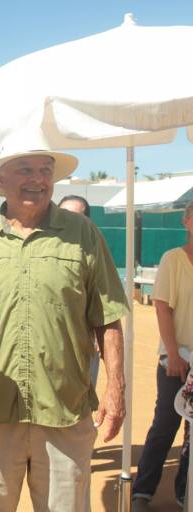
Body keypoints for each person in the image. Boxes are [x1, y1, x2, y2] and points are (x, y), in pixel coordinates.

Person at [0, 145, 129, 511]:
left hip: (64, 413)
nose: (37, 180)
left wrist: (116, 389)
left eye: (45, 170)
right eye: (25, 169)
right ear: (1, 179)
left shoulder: (83, 234)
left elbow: (108, 317)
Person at [132, 202, 193, 511]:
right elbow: (162, 307)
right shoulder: (173, 259)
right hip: (177, 361)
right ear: (186, 221)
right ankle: (142, 492)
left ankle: (185, 492)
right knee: (165, 426)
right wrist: (173, 353)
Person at [57, 194, 100, 388]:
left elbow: (104, 307)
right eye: (64, 214)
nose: (70, 220)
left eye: (78, 216)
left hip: (83, 350)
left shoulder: (95, 254)